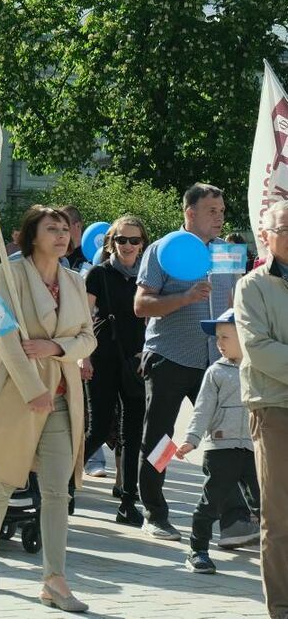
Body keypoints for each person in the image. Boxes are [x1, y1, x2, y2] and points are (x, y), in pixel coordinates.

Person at [0, 205, 96, 611]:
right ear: (32, 235)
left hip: (63, 394)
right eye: (51, 229)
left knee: (56, 492)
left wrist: (57, 347)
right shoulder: (9, 273)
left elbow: (88, 339)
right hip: (17, 391)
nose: (61, 235)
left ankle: (54, 579)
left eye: (65, 229)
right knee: (4, 479)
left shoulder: (74, 279)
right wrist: (32, 386)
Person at [135, 183, 243, 541]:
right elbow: (141, 305)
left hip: (217, 362)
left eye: (222, 211)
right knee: (161, 438)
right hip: (169, 356)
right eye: (212, 211)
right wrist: (184, 298)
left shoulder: (228, 252)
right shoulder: (163, 249)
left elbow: (238, 302)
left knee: (224, 437)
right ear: (190, 212)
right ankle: (155, 512)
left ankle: (233, 519)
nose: (219, 217)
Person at [233, 199, 288, 618]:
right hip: (275, 408)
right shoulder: (251, 286)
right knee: (280, 516)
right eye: (284, 228)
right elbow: (258, 349)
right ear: (265, 236)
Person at [177, 308, 260, 574]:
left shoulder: (260, 368)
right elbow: (202, 409)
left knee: (266, 501)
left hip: (254, 448)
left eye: (225, 336)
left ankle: (275, 555)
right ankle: (197, 550)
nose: (218, 343)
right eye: (217, 338)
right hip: (221, 449)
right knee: (210, 501)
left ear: (245, 335)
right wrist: (191, 439)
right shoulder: (216, 372)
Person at [82, 215, 149, 526]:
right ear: (111, 242)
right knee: (97, 428)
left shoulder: (148, 275)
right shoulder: (99, 274)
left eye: (134, 240)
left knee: (133, 433)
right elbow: (82, 317)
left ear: (143, 244)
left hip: (137, 359)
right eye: (121, 240)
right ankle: (65, 485)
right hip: (104, 356)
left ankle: (128, 501)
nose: (128, 246)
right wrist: (83, 357)